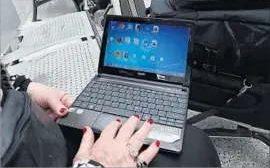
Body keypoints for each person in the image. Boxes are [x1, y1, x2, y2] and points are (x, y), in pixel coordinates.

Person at [1, 63, 221, 167]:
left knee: (189, 141)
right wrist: (93, 165)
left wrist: (22, 88)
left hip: (31, 131)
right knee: (194, 147)